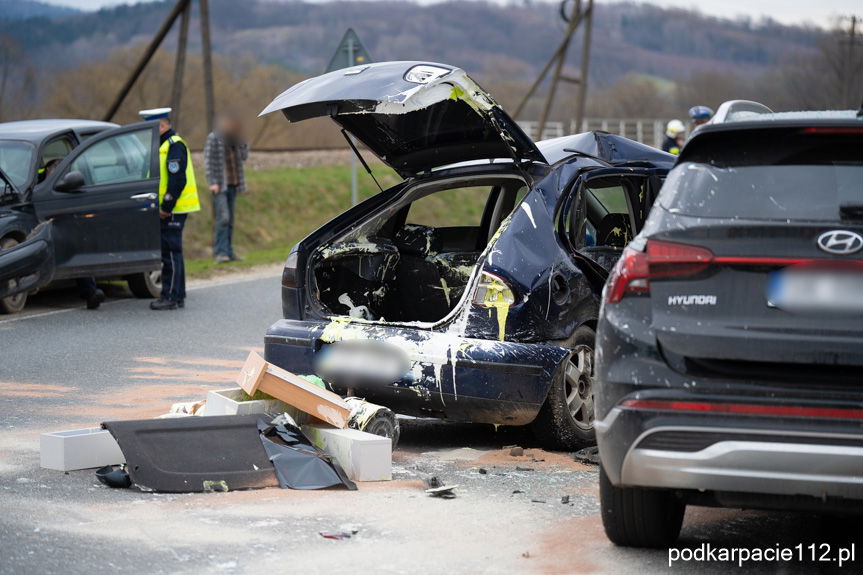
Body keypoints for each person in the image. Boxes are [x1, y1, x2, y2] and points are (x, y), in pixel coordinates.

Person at [139, 108, 200, 311]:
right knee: (174, 253)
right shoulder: (165, 145)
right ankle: (178, 294)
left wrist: (166, 206)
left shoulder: (174, 146)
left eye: (151, 127)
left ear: (161, 125)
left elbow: (177, 179)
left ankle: (170, 296)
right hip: (174, 207)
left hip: (173, 208)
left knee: (170, 253)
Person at [43, 158, 105, 309]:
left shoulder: (74, 193)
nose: (49, 180)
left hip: (67, 233)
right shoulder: (40, 190)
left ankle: (91, 293)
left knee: (78, 248)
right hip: (44, 233)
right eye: (47, 176)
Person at [204, 110, 248, 263]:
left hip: (234, 184)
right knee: (223, 218)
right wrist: (212, 182)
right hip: (219, 185)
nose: (230, 126)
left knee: (230, 220)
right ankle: (220, 253)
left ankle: (229, 252)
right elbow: (208, 162)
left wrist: (241, 140)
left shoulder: (236, 139)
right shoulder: (214, 138)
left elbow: (244, 156)